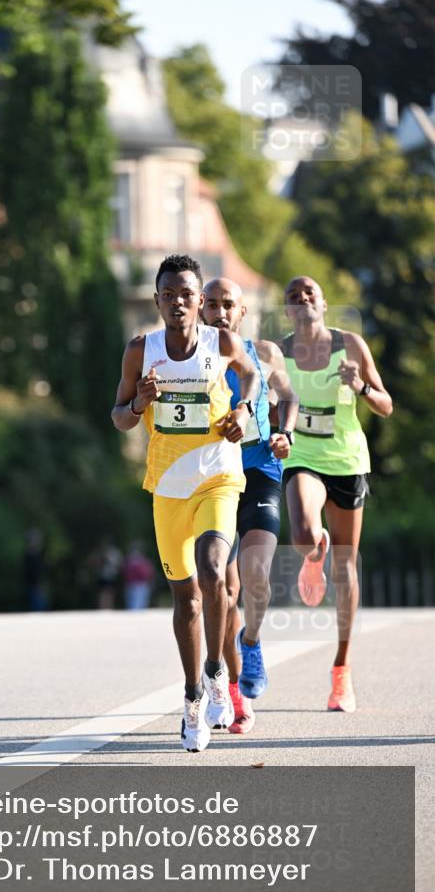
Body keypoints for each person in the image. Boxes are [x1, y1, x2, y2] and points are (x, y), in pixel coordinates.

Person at [111, 254, 260, 752]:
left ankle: (217, 671)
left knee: (215, 571)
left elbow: (252, 376)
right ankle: (193, 695)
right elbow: (119, 417)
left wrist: (244, 408)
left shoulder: (222, 343)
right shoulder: (141, 350)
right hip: (168, 487)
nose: (178, 302)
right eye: (169, 295)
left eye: (187, 295)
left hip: (219, 476)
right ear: (157, 301)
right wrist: (139, 403)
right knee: (186, 599)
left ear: (200, 301)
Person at [280, 276, 393, 712]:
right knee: (302, 534)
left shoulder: (351, 346)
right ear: (287, 311)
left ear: (323, 303)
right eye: (294, 296)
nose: (302, 299)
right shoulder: (280, 354)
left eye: (309, 293)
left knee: (346, 567)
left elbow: (386, 405)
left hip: (346, 461)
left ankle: (342, 669)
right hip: (302, 457)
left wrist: (361, 386)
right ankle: (313, 554)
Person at [202, 278, 299, 733]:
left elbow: (289, 397)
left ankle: (253, 641)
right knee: (223, 589)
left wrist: (286, 433)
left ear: (242, 312)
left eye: (229, 305)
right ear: (201, 310)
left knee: (256, 575)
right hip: (212, 476)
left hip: (260, 468)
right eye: (212, 304)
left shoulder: (265, 353)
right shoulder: (190, 358)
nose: (220, 312)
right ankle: (234, 690)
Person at [123, 542, 155, 611]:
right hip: (138, 585)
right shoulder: (143, 561)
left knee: (135, 606)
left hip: (136, 585)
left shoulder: (130, 561)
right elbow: (148, 573)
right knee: (138, 606)